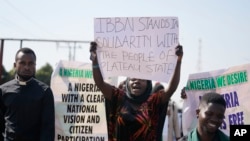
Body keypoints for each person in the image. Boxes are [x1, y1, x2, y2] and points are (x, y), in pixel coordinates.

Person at [90, 41, 183, 141]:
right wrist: (95, 62)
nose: (136, 82)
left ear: (148, 83)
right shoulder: (118, 97)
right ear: (127, 82)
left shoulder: (153, 101)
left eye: (141, 79)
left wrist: (178, 61)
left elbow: (172, 88)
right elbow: (100, 83)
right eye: (132, 79)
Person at [0, 47, 55, 141]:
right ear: (15, 65)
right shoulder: (3, 90)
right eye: (22, 63)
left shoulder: (45, 91)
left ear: (35, 65)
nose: (27, 67)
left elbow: (48, 128)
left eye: (31, 63)